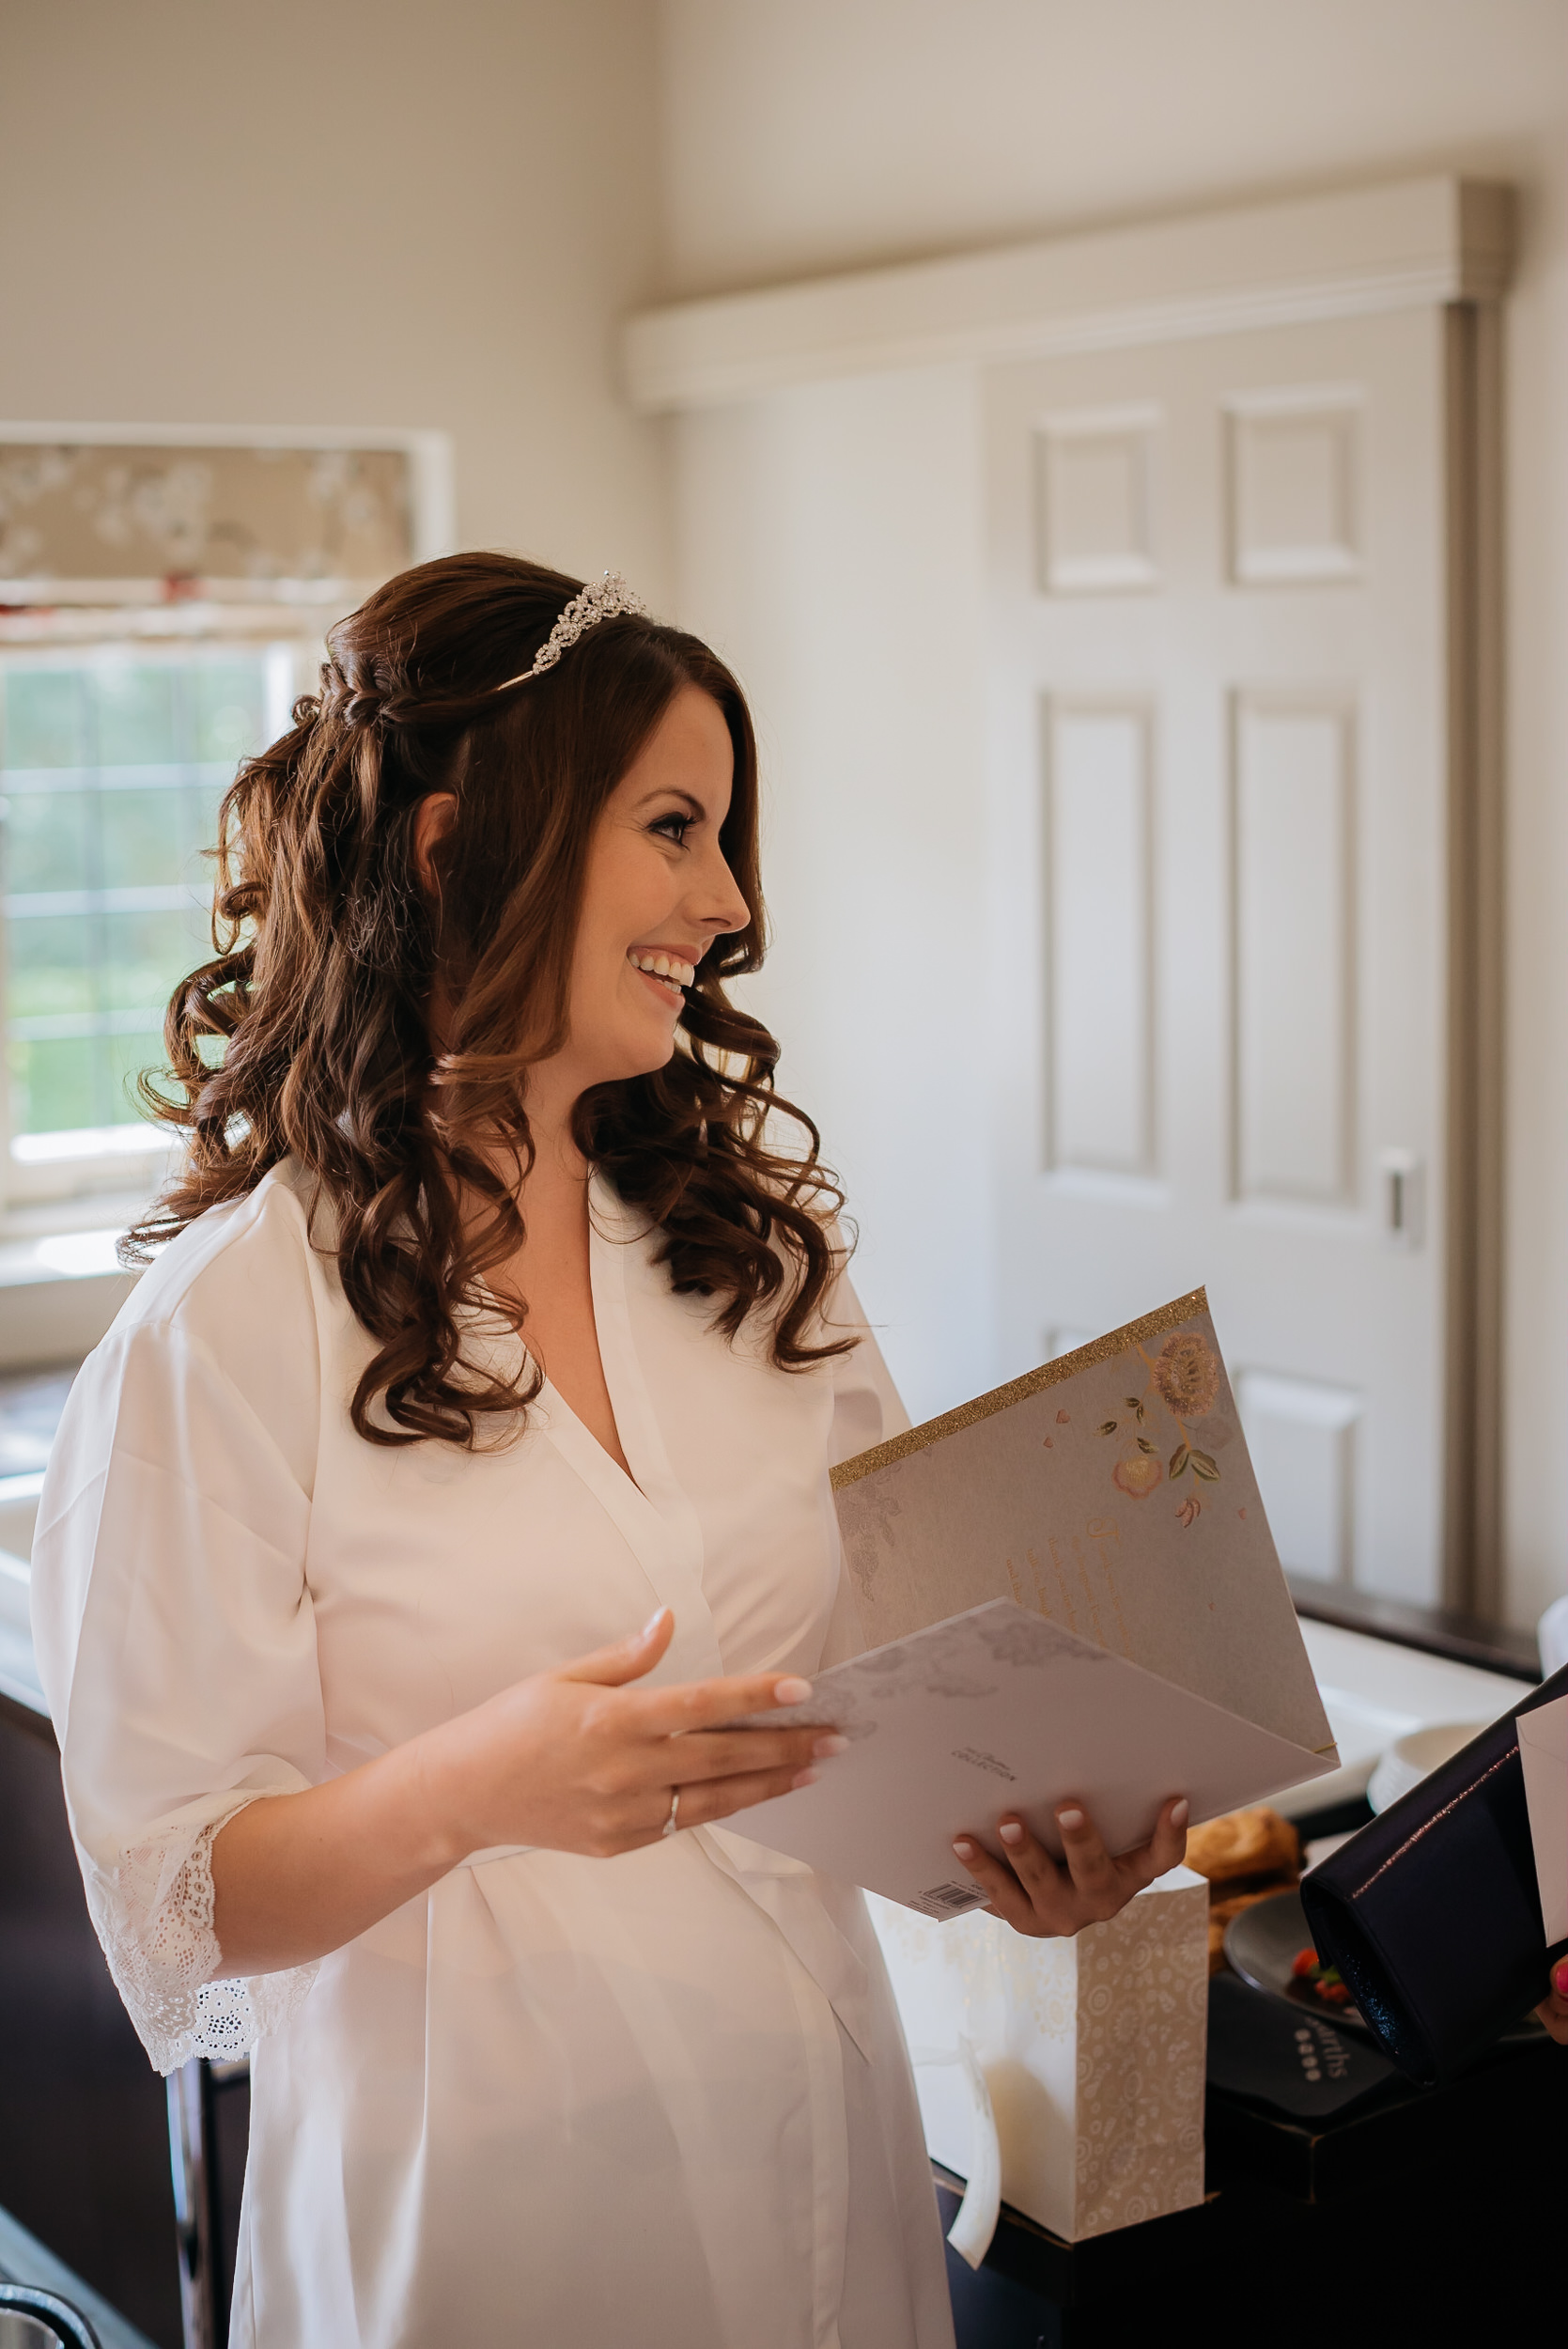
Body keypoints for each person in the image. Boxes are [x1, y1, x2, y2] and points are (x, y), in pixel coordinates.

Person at [30, 554, 1188, 2349]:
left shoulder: (756, 1253)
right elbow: (173, 1902)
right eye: (673, 827)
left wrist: (1028, 1841)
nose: (725, 901)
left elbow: (896, 1680)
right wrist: (474, 1785)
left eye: (725, 837)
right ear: (448, 850)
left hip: (823, 2150)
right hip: (487, 2216)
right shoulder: (229, 1329)